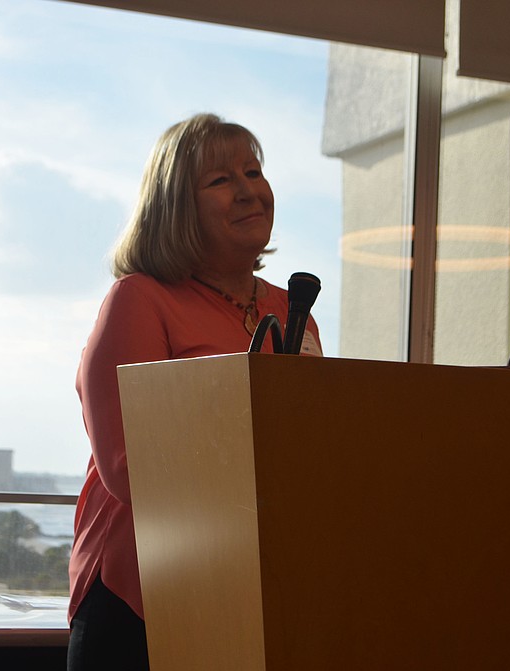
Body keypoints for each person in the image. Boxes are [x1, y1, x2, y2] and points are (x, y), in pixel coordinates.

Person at [66, 113, 323, 670]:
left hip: (253, 589)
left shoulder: (291, 308)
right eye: (221, 180)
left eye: (253, 172)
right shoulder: (141, 298)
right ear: (176, 206)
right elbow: (129, 465)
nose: (248, 191)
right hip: (141, 596)